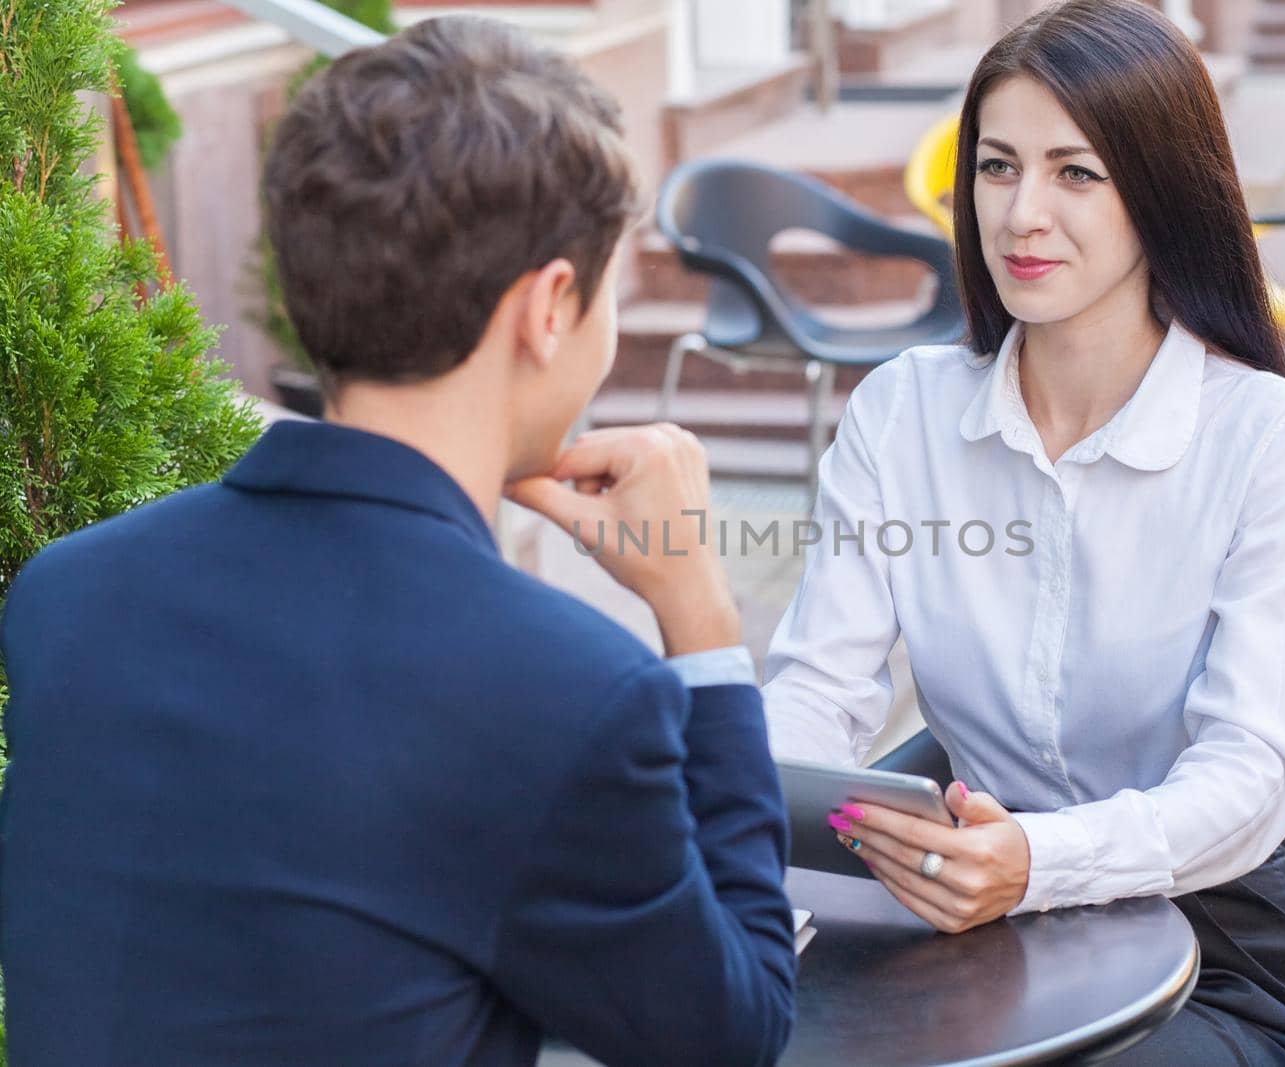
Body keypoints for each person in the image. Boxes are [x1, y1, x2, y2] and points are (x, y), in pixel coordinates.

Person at [0, 16, 793, 1066]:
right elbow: (727, 1032)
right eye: (613, 282)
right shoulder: (564, 688)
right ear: (549, 307)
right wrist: (701, 616)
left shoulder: (69, 592)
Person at [763, 2, 1285, 1063]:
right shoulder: (903, 412)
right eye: (995, 167)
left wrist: (1037, 859)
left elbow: (1248, 777)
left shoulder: (1275, 441)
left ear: (1159, 193)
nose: (1021, 213)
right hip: (969, 927)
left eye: (1075, 173)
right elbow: (816, 685)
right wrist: (759, 820)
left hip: (1212, 954)